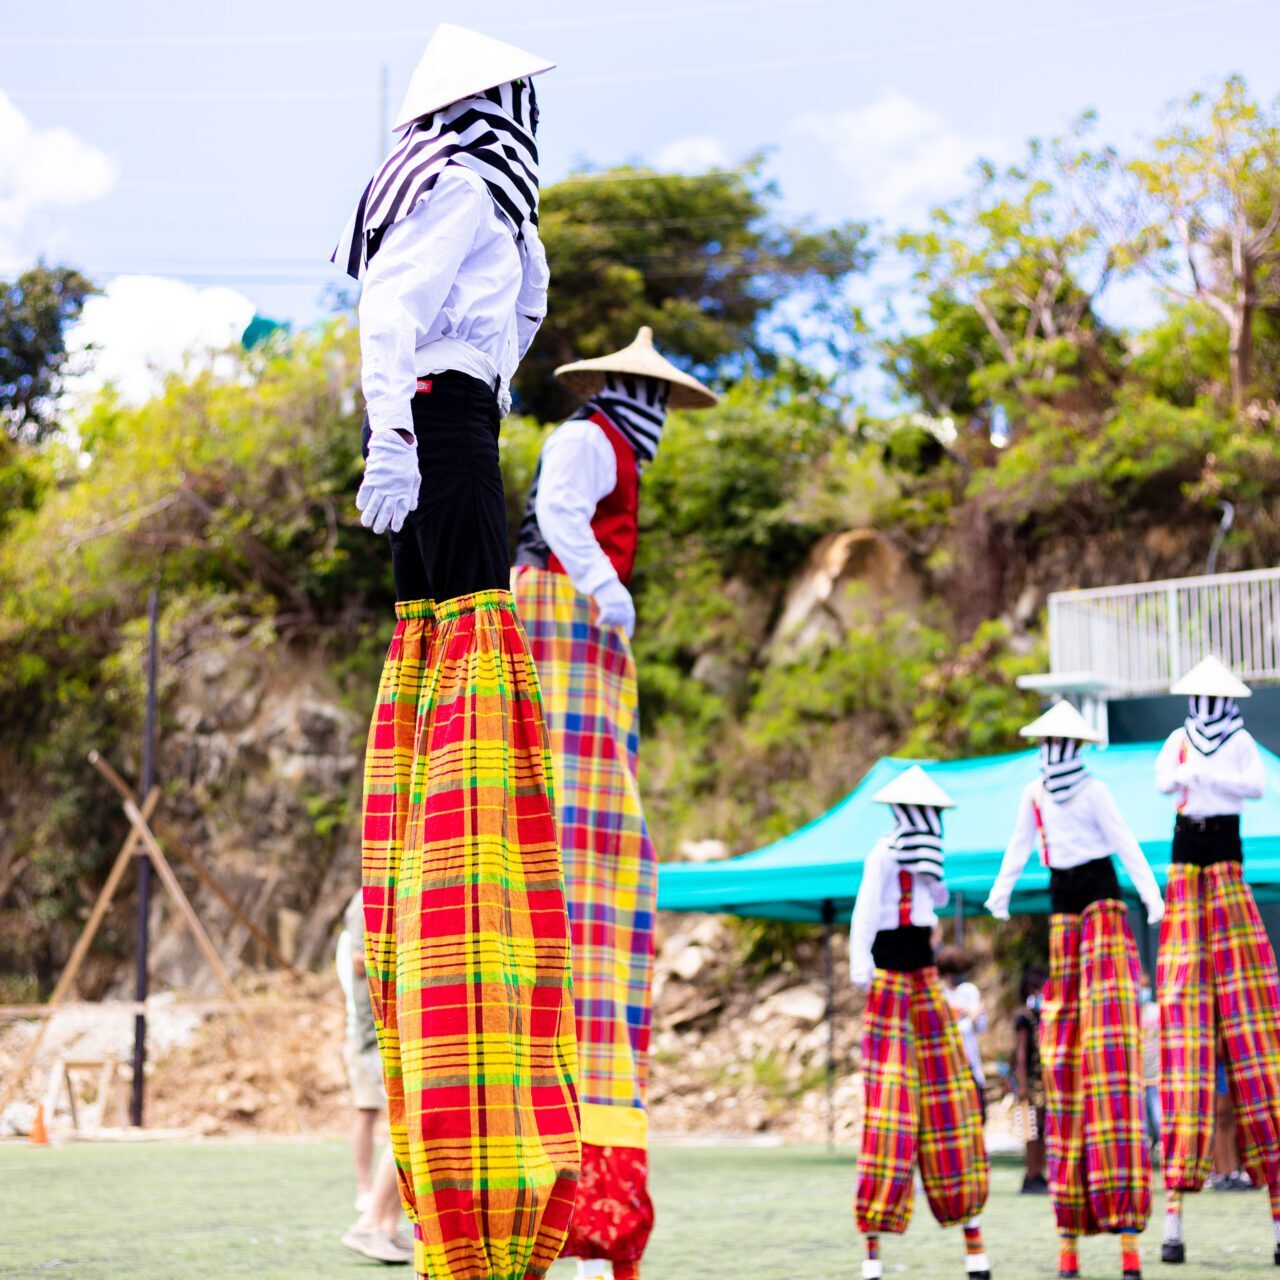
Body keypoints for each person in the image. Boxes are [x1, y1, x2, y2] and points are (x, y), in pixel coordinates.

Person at [334, 24, 580, 1280]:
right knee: (470, 650)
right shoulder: (468, 184)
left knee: (454, 651)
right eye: (526, 92)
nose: (539, 109)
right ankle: (468, 849)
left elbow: (494, 317)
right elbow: (395, 310)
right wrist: (393, 440)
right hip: (443, 430)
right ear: (495, 100)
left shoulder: (481, 194)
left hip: (455, 426)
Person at [512, 328, 718, 1280]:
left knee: (599, 813)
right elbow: (559, 512)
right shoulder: (589, 441)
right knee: (569, 796)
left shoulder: (613, 446)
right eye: (658, 400)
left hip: (579, 613)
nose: (662, 419)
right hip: (557, 606)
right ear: (632, 392)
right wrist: (600, 585)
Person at [986, 700, 1163, 1280]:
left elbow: (1126, 842)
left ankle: (1128, 1239)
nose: (1052, 754)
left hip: (1105, 910)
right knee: (1061, 1064)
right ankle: (1068, 1235)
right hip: (1064, 918)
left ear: (1076, 746)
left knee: (1109, 1054)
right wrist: (1001, 891)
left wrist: (1150, 895)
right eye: (1047, 745)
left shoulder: (1094, 792)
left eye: (1061, 745)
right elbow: (1017, 846)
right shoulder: (1034, 794)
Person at [1153, 655, 1280, 1264]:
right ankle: (1172, 1222)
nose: (1205, 707)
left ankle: (1276, 1214)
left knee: (1255, 1030)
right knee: (1182, 1025)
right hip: (1184, 863)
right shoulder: (1180, 736)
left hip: (1226, 862)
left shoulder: (1240, 740)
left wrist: (1207, 780)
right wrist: (1194, 776)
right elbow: (1160, 782)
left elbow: (1256, 786)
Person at [850, 766, 990, 1280]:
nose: (927, 823)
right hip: (889, 981)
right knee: (889, 1110)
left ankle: (975, 1244)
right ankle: (872, 1254)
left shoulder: (928, 858)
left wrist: (932, 873)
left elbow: (934, 905)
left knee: (949, 1102)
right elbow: (865, 913)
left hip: (926, 981)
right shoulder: (883, 855)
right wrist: (861, 970)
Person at [336, 888, 412, 1264]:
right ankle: (370, 1222)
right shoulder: (367, 899)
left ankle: (385, 1227)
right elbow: (358, 960)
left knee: (411, 1124)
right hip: (375, 1035)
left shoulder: (388, 891)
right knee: (409, 1122)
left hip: (387, 1032)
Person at [936, 945, 988, 1121]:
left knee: (978, 1116)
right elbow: (944, 1030)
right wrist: (967, 1017)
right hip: (948, 1066)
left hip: (970, 1064)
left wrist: (973, 1016)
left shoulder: (969, 991)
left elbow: (980, 1025)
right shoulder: (938, 995)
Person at [1014, 966, 1049, 1195]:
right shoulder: (1024, 1018)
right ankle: (1032, 1173)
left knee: (1045, 1129)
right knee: (1032, 1130)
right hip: (1032, 1082)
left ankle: (1040, 1172)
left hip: (1046, 1081)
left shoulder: (1045, 1014)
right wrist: (1022, 1084)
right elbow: (1020, 1052)